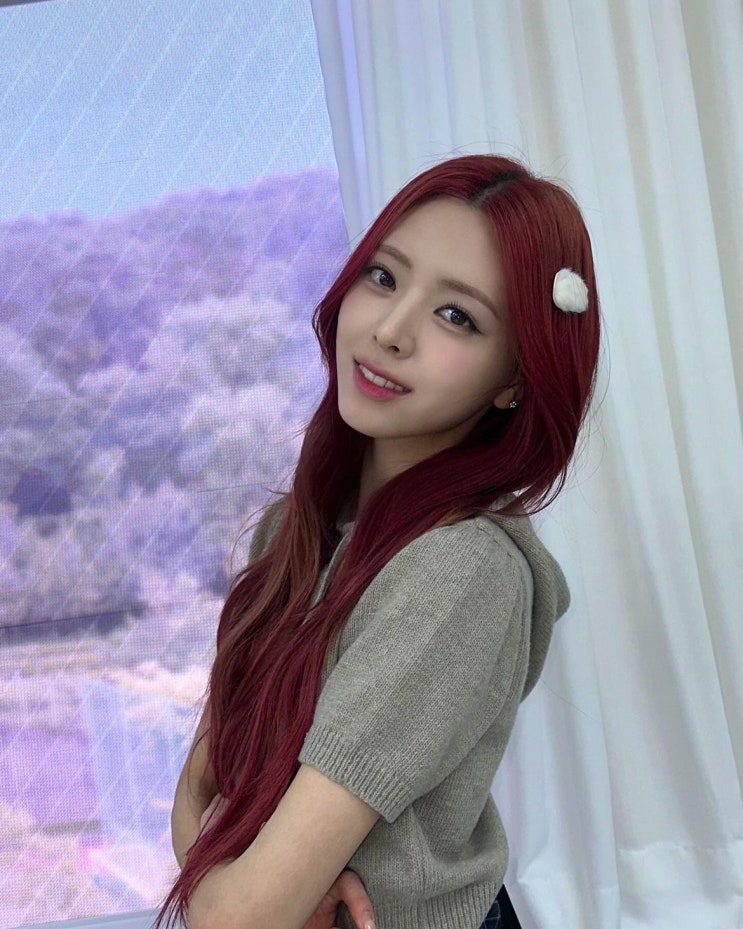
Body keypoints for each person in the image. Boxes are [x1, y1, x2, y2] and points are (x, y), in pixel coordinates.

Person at [156, 154, 601, 929]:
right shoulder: (297, 528)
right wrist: (256, 875)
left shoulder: (459, 572)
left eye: (457, 316)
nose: (390, 330)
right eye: (384, 277)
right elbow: (201, 785)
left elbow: (236, 912)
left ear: (515, 378)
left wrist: (247, 877)